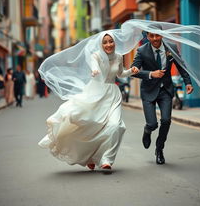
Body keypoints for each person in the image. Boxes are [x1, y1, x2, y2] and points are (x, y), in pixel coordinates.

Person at [38, 32, 139, 171]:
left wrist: (131, 71)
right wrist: (95, 71)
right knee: (90, 126)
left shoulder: (119, 57)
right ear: (100, 44)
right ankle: (89, 156)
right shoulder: (95, 56)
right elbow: (94, 66)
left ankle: (106, 159)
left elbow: (120, 74)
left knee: (117, 126)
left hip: (113, 95)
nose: (108, 44)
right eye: (105, 42)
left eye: (111, 41)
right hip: (96, 93)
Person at [131, 31, 194, 165]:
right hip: (148, 91)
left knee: (166, 120)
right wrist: (151, 74)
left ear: (161, 35)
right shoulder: (142, 50)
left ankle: (159, 149)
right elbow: (133, 70)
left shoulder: (171, 47)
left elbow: (181, 66)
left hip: (166, 90)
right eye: (151, 36)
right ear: (147, 37)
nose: (154, 38)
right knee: (153, 124)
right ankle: (147, 130)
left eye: (157, 35)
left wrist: (187, 82)